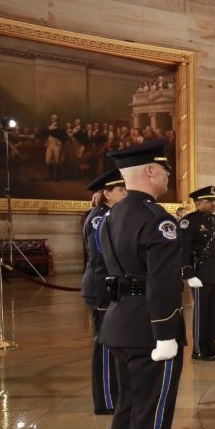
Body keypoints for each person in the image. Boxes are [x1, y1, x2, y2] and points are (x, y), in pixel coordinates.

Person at [99, 139, 189, 429]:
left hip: (119, 325)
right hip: (151, 330)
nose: (168, 175)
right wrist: (167, 332)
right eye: (165, 169)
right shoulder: (157, 219)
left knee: (127, 414)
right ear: (150, 171)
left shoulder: (112, 215)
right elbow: (162, 283)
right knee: (150, 417)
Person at [81, 168, 127, 415]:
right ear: (107, 193)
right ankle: (107, 399)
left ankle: (114, 393)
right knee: (105, 345)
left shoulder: (110, 215)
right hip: (101, 287)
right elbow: (102, 260)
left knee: (111, 342)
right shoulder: (100, 218)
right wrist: (106, 295)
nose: (125, 193)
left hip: (107, 286)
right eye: (121, 189)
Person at [179, 186, 215, 361]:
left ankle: (211, 347)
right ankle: (199, 349)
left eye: (214, 200)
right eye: (210, 201)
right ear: (199, 203)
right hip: (200, 273)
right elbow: (183, 250)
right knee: (201, 313)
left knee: (214, 313)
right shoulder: (189, 221)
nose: (214, 203)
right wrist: (189, 274)